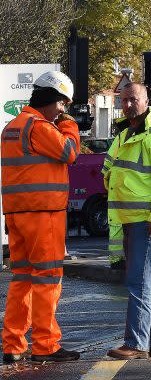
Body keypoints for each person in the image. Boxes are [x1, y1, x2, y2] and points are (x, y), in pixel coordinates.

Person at [1, 71, 81, 363]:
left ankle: (13, 344)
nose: (63, 111)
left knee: (21, 278)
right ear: (53, 98)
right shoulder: (39, 127)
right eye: (63, 105)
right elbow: (70, 152)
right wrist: (70, 125)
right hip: (43, 213)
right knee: (47, 279)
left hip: (17, 214)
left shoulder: (13, 126)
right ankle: (46, 346)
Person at [103, 83, 151, 359]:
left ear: (147, 101)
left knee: (139, 280)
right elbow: (109, 167)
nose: (126, 105)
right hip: (131, 217)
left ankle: (135, 343)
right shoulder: (125, 134)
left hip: (147, 219)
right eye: (123, 100)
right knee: (147, 279)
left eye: (132, 100)